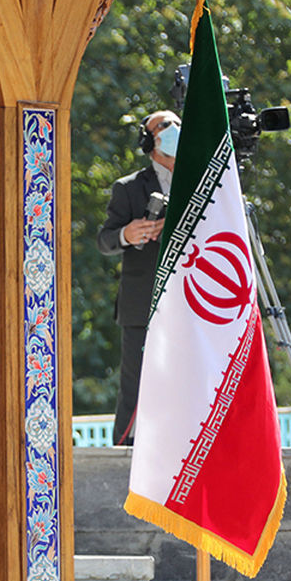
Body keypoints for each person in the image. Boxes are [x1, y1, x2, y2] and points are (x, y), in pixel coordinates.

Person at [97, 109, 180, 445]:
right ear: (149, 140)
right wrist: (127, 235)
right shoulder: (128, 188)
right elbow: (104, 240)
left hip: (191, 300)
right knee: (134, 388)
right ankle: (124, 456)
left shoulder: (205, 179)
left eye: (177, 123)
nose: (174, 129)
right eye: (164, 125)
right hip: (141, 304)